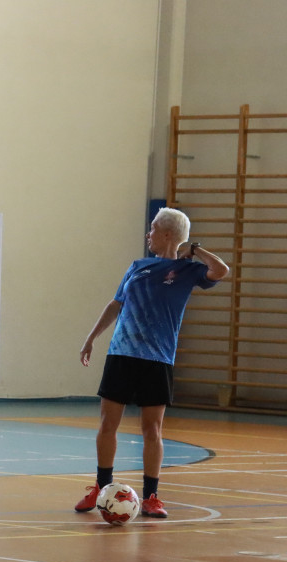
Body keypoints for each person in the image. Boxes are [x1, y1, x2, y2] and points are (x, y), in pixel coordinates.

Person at [75, 207, 229, 518]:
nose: (149, 234)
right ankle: (101, 488)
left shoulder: (188, 270)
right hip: (122, 354)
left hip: (157, 358)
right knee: (108, 424)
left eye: (153, 229)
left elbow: (221, 270)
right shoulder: (137, 266)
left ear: (169, 234)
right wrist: (91, 338)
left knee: (152, 430)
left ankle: (152, 496)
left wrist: (195, 249)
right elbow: (116, 304)